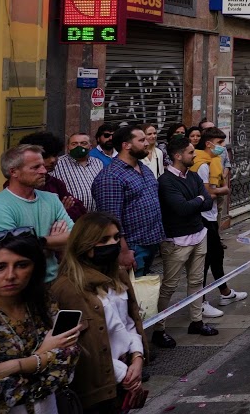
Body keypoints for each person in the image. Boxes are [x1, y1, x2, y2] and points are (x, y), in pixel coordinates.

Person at [0, 229, 81, 414]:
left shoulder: (43, 303)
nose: (10, 275)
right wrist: (44, 356)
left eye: (21, 265)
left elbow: (69, 358)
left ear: (34, 268)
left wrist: (18, 365)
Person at [50, 213, 147, 414]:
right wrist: (124, 374)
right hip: (97, 390)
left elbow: (129, 323)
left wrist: (137, 358)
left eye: (116, 237)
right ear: (85, 245)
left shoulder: (118, 276)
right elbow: (72, 347)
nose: (113, 243)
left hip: (125, 377)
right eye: (104, 240)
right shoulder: (67, 289)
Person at [153, 135, 217, 348]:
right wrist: (199, 199)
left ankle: (196, 321)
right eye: (190, 152)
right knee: (169, 285)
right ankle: (159, 328)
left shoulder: (194, 176)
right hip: (176, 240)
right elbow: (181, 208)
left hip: (198, 234)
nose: (194, 155)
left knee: (196, 281)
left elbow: (208, 202)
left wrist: (198, 201)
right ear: (178, 156)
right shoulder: (165, 181)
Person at [0, 145, 73, 283]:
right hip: (16, 286)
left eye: (42, 165)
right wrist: (54, 242)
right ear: (14, 172)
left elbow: (74, 237)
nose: (44, 171)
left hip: (53, 281)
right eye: (35, 167)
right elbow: (15, 253)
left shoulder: (51, 199)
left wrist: (40, 242)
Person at [92, 125, 164, 276]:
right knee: (131, 288)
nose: (147, 143)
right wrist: (123, 251)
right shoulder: (110, 177)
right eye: (141, 140)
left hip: (150, 242)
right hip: (132, 247)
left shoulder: (143, 168)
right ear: (126, 145)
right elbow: (110, 219)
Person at [189, 129, 246, 313]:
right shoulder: (202, 165)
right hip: (204, 217)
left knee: (216, 256)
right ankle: (201, 303)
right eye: (220, 143)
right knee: (205, 261)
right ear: (208, 144)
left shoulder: (211, 162)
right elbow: (208, 193)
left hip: (210, 216)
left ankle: (225, 292)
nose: (223, 147)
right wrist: (224, 190)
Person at [17, 132, 86, 222]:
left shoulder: (55, 183)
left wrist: (63, 212)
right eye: (46, 156)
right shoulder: (19, 185)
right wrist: (60, 211)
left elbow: (80, 209)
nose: (53, 160)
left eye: (55, 155)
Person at [54, 133, 104, 212]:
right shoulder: (57, 164)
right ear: (68, 147)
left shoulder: (98, 163)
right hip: (71, 214)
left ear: (90, 147)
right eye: (74, 144)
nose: (79, 147)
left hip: (96, 214)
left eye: (83, 143)